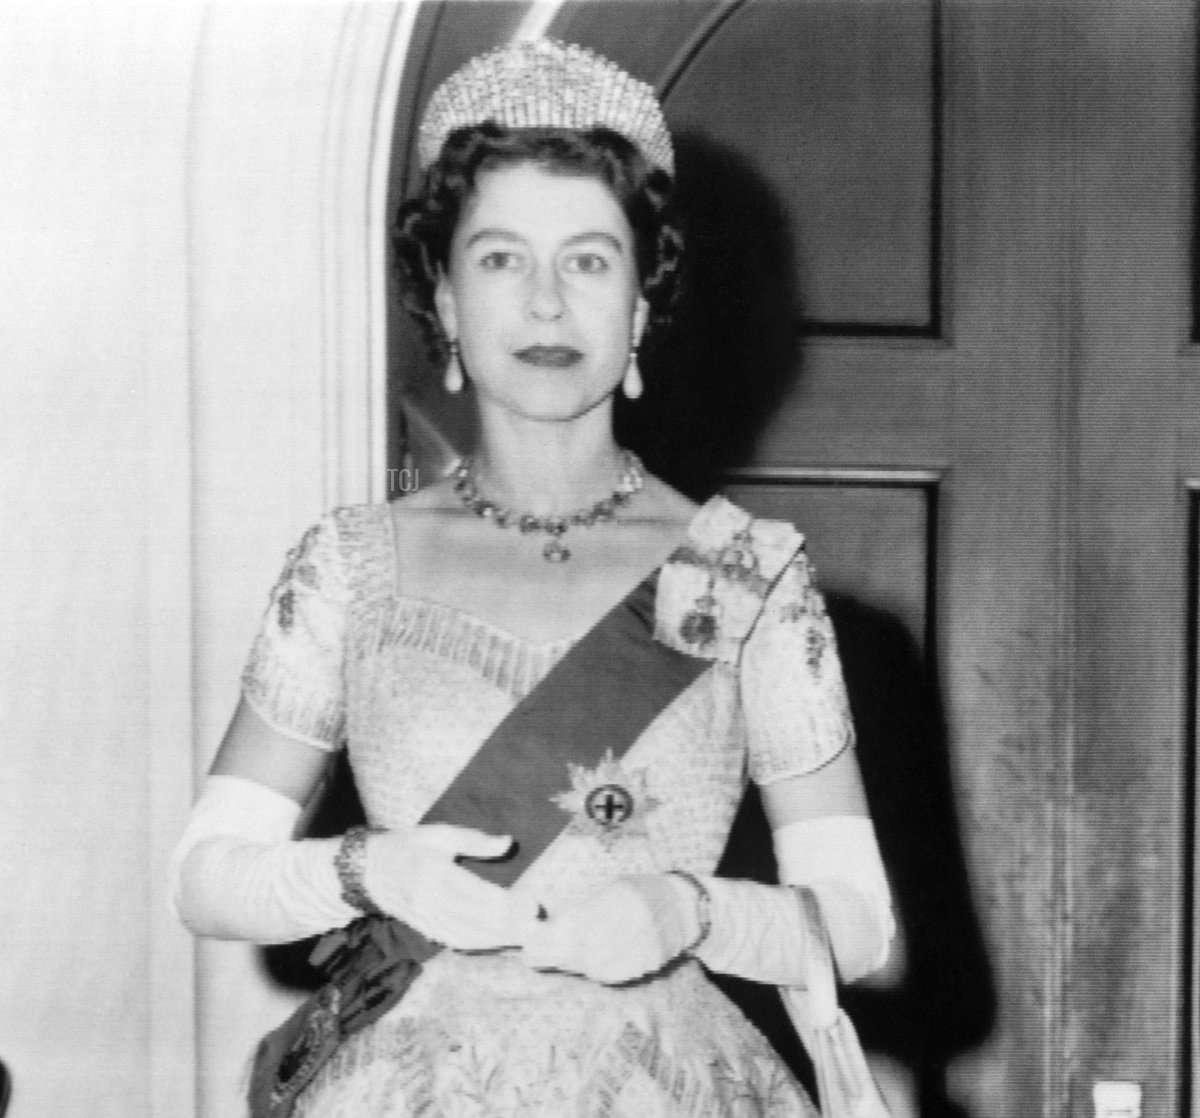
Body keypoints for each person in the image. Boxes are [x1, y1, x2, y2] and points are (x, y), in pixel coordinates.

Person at [170, 38, 895, 1118]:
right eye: (502, 259)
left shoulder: (742, 574)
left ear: (639, 306)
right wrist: (370, 871)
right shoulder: (351, 567)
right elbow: (205, 876)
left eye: (589, 261)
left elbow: (863, 922)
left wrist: (690, 909)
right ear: (445, 300)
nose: (547, 304)